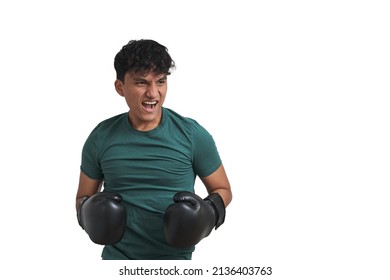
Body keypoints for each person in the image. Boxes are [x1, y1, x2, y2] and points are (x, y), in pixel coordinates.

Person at [75, 39, 232, 260]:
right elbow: (83, 197)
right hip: (117, 263)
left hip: (175, 266)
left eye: (160, 81)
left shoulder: (192, 135)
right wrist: (89, 213)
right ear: (120, 87)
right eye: (141, 83)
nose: (153, 93)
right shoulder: (101, 137)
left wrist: (207, 214)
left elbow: (223, 189)